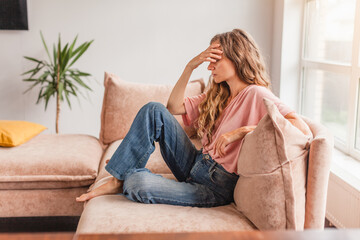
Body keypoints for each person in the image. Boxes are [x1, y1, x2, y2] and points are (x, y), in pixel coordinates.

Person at [76, 28, 312, 207]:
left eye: (216, 59)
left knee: (138, 186)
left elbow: (300, 128)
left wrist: (240, 132)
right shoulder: (219, 95)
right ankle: (119, 176)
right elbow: (172, 106)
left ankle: (128, 175)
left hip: (215, 186)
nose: (211, 67)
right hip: (195, 163)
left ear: (237, 57)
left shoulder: (256, 94)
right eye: (209, 60)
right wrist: (190, 66)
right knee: (153, 109)